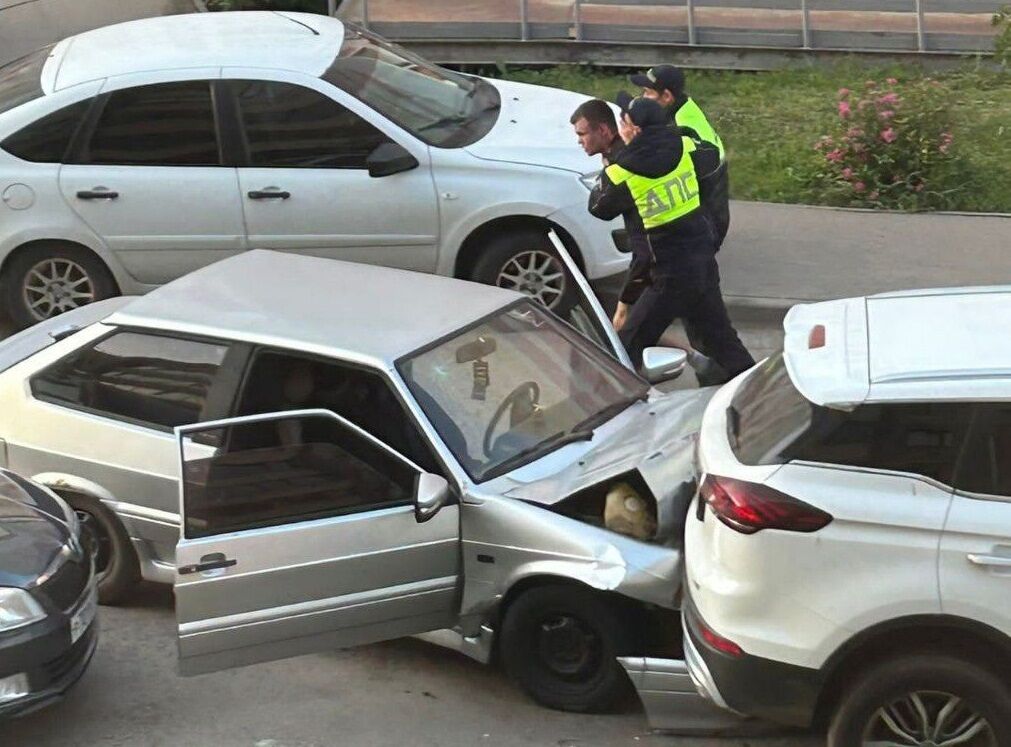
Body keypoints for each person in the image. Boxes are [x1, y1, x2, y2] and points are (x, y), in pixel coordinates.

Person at [588, 96, 754, 380]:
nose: (621, 129)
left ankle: (611, 411)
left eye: (624, 123)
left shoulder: (622, 172)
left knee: (624, 350)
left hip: (666, 277)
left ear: (636, 130)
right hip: (702, 263)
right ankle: (756, 394)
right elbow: (711, 156)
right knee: (722, 342)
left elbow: (598, 206)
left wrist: (612, 165)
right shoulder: (686, 147)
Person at [629, 65, 730, 250]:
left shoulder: (683, 128)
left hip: (705, 219)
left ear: (667, 96)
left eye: (648, 92)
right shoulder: (680, 106)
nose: (642, 97)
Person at [570, 99, 652, 319]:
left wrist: (625, 303)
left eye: (582, 134)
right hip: (659, 256)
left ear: (604, 130)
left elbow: (600, 208)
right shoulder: (620, 154)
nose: (579, 141)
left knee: (633, 331)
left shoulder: (620, 164)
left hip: (651, 258)